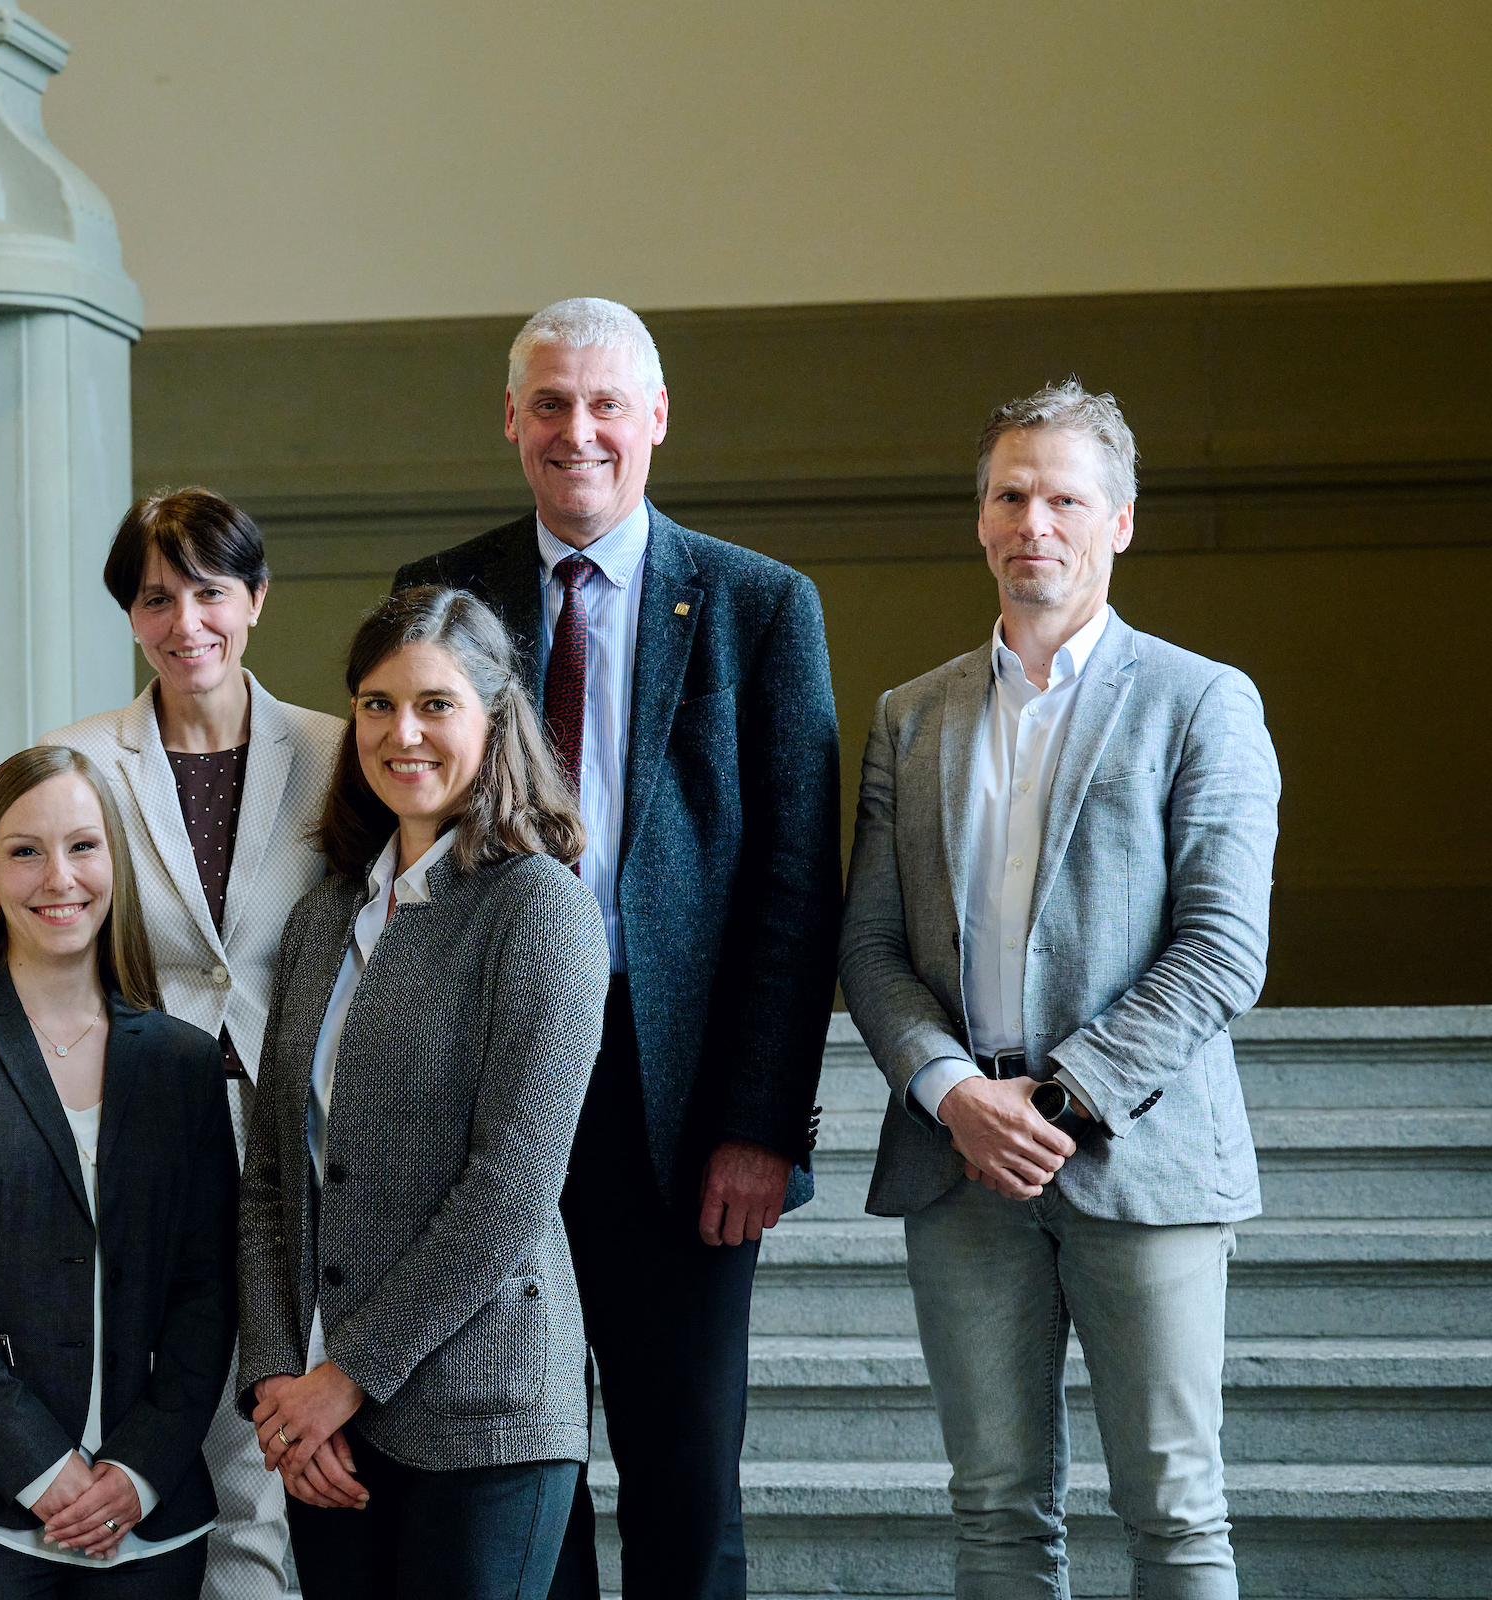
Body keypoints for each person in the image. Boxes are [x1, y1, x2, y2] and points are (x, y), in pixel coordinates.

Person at [391, 298, 843, 1598]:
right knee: (523, 1463)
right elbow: (403, 849)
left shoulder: (759, 607)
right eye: (548, 405)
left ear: (654, 420)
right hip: (490, 1091)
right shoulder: (444, 599)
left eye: (603, 405)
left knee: (684, 1475)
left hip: (684, 1104)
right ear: (512, 424)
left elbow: (794, 884)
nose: (575, 430)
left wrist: (763, 1124)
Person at [840, 380, 1279, 1599]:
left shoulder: (1203, 701)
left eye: (1065, 497)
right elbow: (871, 945)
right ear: (981, 517)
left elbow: (1222, 949)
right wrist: (950, 1092)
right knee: (993, 1514)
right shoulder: (908, 717)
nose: (1035, 519)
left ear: (1120, 520)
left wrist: (1065, 1097)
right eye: (1010, 493)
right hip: (958, 1158)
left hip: (1141, 1157)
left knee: (1177, 1514)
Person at [238, 586, 609, 1599]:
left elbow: (510, 1191)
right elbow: (273, 1170)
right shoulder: (326, 916)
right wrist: (279, 1384)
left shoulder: (540, 904)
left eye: (436, 704)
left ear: (495, 719)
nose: (403, 732)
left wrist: (341, 1379)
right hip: (326, 1426)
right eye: (375, 703)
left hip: (484, 1417)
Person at [43, 489, 343, 1600]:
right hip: (135, 1134)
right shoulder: (74, 763)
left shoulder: (340, 750)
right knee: (159, 1414)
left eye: (210, 591)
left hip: (299, 1135)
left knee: (269, 1437)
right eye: (156, 597)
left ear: (255, 597)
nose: (186, 622)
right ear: (131, 615)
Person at [0, 745, 240, 1600]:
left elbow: (208, 1289)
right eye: (24, 851)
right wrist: (40, 1467)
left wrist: (136, 1471)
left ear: (115, 867)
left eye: (82, 846)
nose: (58, 877)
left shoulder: (182, 1063)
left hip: (143, 1510)